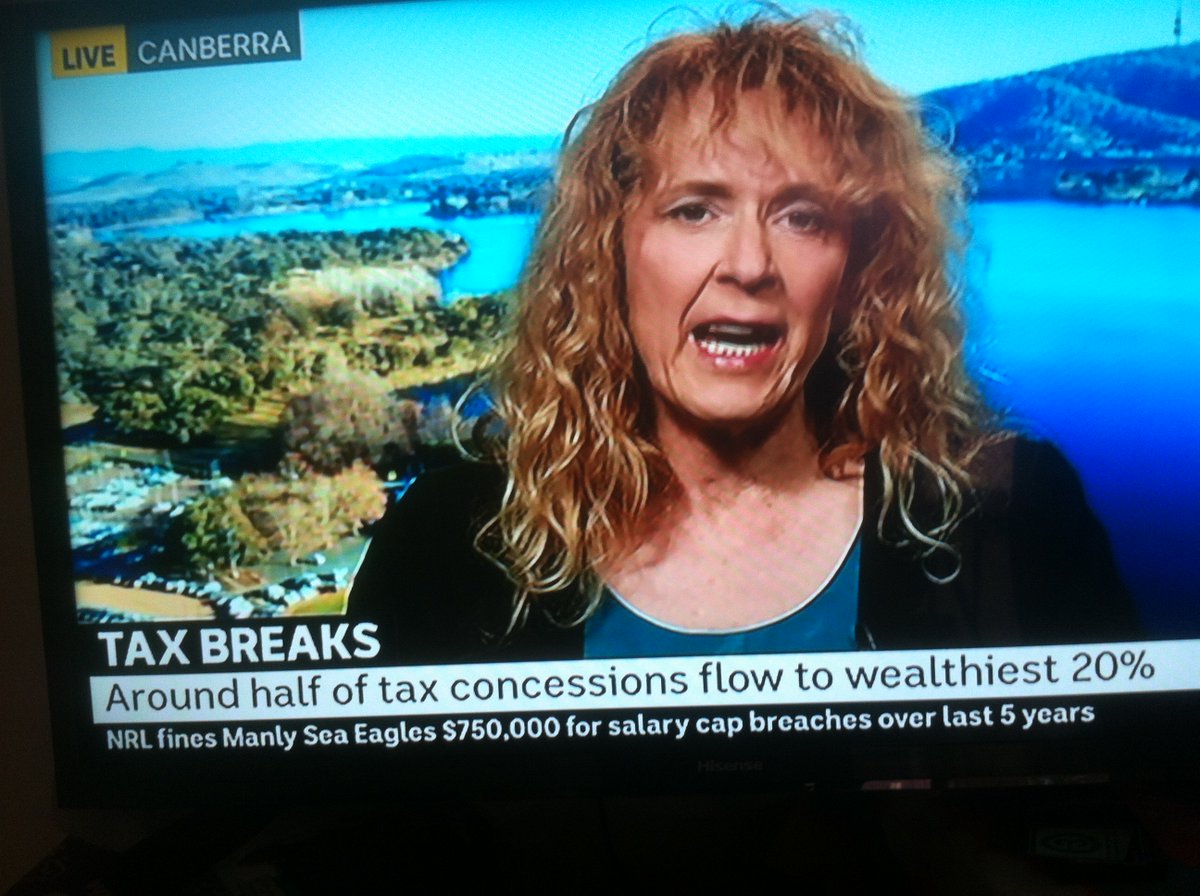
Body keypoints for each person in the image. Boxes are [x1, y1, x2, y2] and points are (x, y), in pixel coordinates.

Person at [349, 12, 1139, 662]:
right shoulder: (447, 541)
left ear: (857, 268)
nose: (751, 265)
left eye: (803, 217)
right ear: (609, 252)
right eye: (695, 209)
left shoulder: (1012, 520)